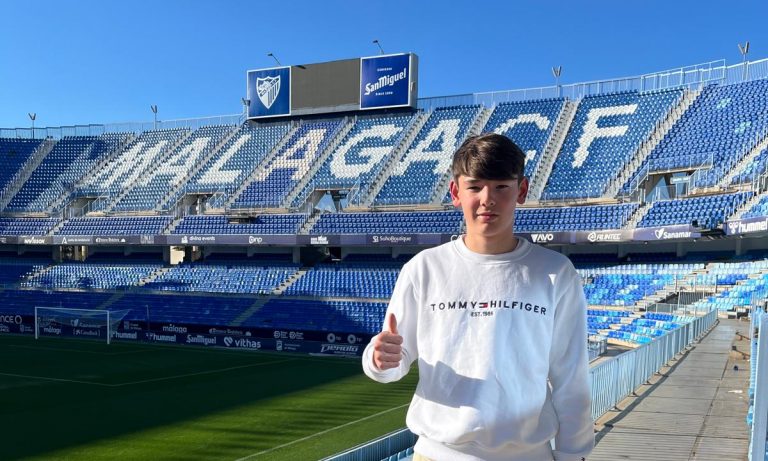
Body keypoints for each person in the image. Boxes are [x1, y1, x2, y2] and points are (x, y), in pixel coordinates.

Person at [362, 133, 594, 461]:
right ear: (456, 192)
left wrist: (574, 454)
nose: (487, 199)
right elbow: (392, 361)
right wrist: (378, 359)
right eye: (475, 186)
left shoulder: (555, 272)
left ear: (521, 191)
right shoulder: (424, 269)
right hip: (437, 454)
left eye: (501, 186)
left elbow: (571, 378)